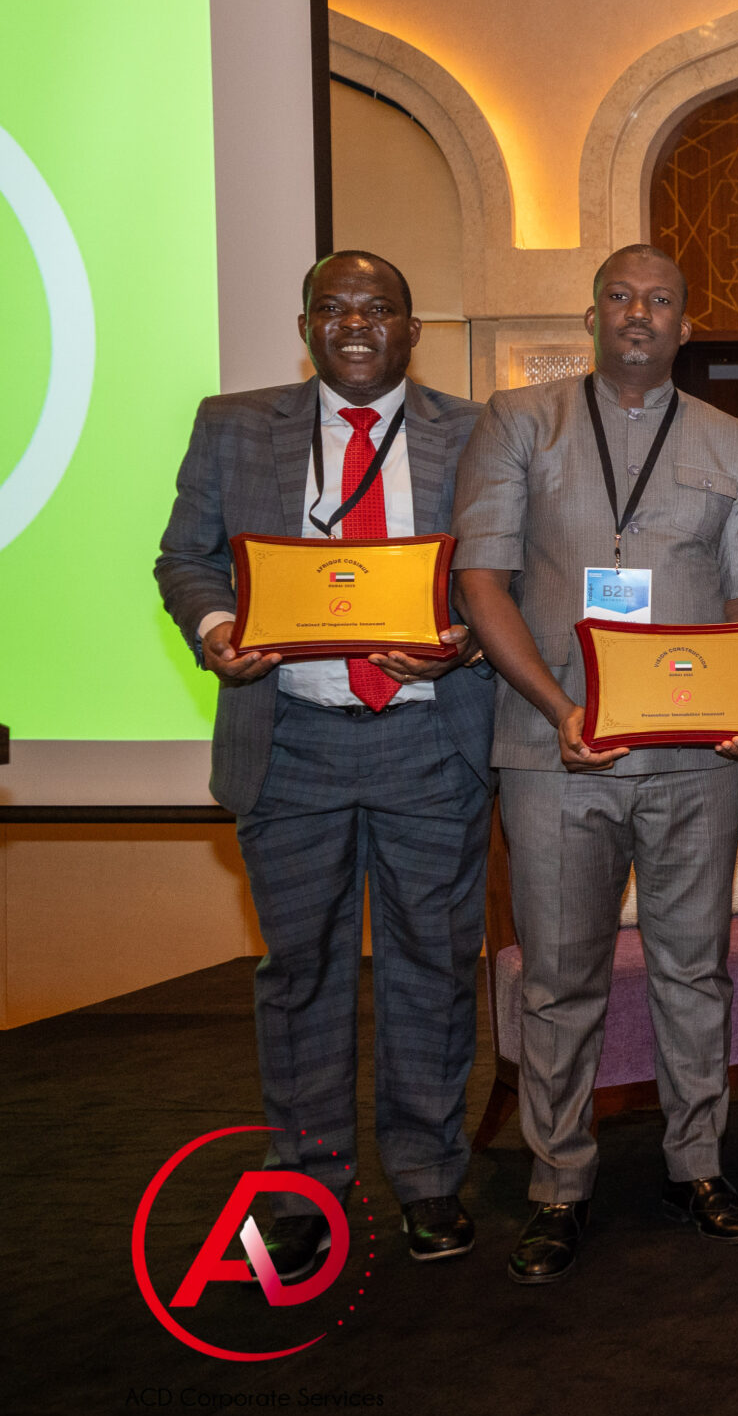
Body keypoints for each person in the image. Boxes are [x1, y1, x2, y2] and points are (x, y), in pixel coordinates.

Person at [155, 251, 497, 1281]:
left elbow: (508, 569)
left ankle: (428, 1177)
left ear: (411, 330)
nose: (355, 324)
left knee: (433, 966)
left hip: (428, 741)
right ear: (305, 326)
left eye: (377, 308)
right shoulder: (231, 425)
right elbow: (185, 557)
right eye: (334, 308)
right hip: (290, 736)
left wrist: (466, 642)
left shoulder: (476, 431)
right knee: (299, 970)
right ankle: (305, 1184)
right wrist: (216, 626)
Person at [454, 244, 738, 1283]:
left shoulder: (732, 440)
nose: (640, 313)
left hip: (695, 759)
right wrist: (560, 709)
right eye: (621, 297)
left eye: (661, 300)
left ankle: (698, 1166)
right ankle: (560, 1183)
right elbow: (481, 580)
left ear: (687, 324)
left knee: (695, 970)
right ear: (592, 315)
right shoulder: (519, 420)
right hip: (557, 752)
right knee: (559, 979)